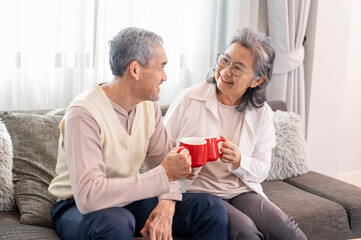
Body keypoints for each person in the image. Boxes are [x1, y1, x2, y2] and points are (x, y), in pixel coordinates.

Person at [48, 27, 228, 240]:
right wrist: (163, 175)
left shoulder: (148, 106)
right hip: (76, 207)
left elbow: (164, 163)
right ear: (135, 70)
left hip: (129, 201)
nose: (165, 77)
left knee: (210, 208)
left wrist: (167, 203)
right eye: (161, 67)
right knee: (117, 222)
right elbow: (89, 196)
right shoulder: (84, 113)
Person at [164, 28, 307, 240]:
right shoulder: (189, 100)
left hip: (241, 191)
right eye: (225, 60)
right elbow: (161, 152)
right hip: (200, 193)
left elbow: (262, 170)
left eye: (238, 68)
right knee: (246, 231)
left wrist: (240, 160)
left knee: (285, 229)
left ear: (257, 80)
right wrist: (181, 164)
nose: (225, 71)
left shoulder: (262, 113)